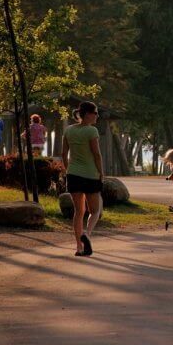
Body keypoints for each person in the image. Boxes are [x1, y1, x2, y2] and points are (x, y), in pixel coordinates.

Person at [62, 101, 104, 257]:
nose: (97, 116)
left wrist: (69, 171)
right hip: (91, 175)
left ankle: (79, 247)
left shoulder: (69, 130)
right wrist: (101, 173)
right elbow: (97, 154)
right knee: (95, 211)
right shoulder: (91, 131)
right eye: (95, 113)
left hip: (73, 175)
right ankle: (87, 233)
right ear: (87, 114)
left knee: (79, 212)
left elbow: (63, 154)